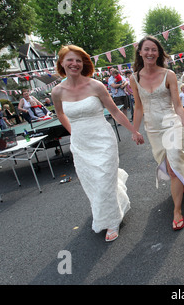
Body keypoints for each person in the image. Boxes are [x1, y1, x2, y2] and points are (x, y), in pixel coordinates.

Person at [51, 45, 144, 242]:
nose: (74, 64)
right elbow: (60, 114)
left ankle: (111, 221)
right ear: (61, 63)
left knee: (103, 180)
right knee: (93, 182)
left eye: (78, 60)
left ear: (83, 63)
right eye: (70, 60)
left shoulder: (96, 86)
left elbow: (116, 112)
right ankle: (109, 208)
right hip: (80, 144)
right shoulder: (57, 91)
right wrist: (72, 132)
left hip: (102, 140)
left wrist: (133, 131)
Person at [130, 36, 184, 231]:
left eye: (154, 49)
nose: (150, 53)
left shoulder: (169, 74)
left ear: (159, 53)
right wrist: (134, 130)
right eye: (146, 49)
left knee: (172, 169)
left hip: (171, 125)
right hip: (152, 129)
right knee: (167, 162)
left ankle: (177, 211)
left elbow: (178, 107)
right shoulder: (134, 78)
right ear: (140, 52)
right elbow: (138, 107)